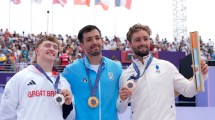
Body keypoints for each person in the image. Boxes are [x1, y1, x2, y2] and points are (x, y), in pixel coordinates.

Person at [116, 23, 208, 120]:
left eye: (146, 39)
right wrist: (122, 98)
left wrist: (201, 75)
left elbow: (188, 90)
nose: (142, 42)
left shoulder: (166, 66)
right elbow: (121, 109)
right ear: (130, 44)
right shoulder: (126, 75)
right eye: (138, 40)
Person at [0, 35, 75, 120]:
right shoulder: (20, 77)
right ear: (37, 51)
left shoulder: (63, 81)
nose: (52, 48)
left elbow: (69, 117)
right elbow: (6, 114)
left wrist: (68, 105)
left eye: (55, 47)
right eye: (47, 45)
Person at [62, 25, 122, 120]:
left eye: (97, 38)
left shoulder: (116, 68)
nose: (94, 42)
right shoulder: (71, 70)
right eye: (89, 39)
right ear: (82, 45)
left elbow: (123, 102)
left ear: (101, 40)